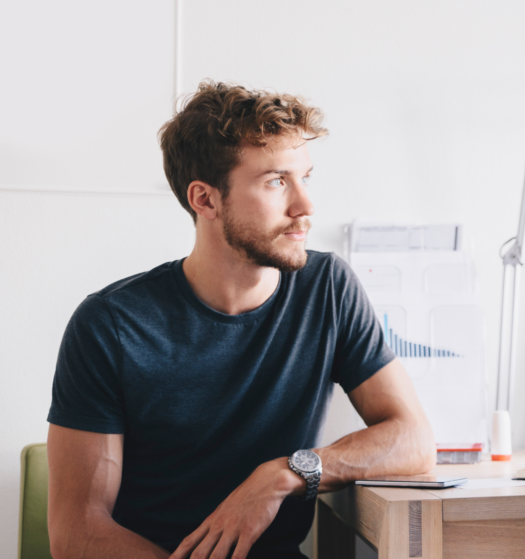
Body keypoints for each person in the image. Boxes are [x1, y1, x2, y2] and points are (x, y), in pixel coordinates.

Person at [46, 81, 436, 559]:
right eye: (276, 181)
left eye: (305, 178)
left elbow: (413, 439)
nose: (305, 206)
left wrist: (284, 474)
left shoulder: (327, 287)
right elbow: (77, 533)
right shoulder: (111, 324)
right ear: (205, 200)